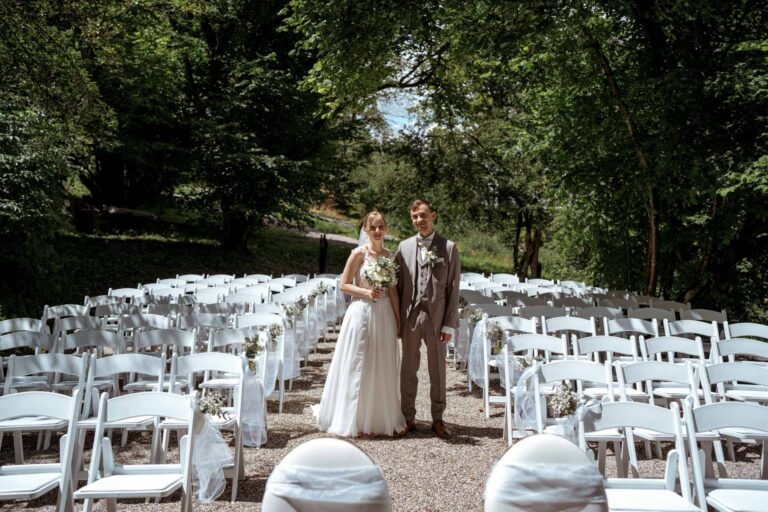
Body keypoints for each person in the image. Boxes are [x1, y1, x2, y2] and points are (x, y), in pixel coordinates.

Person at [312, 211, 406, 437]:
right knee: (357, 361)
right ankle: (351, 416)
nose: (376, 231)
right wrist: (366, 292)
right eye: (372, 227)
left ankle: (376, 418)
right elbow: (344, 285)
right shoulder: (358, 255)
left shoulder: (390, 256)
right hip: (361, 312)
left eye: (380, 226)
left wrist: (398, 320)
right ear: (365, 230)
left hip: (383, 314)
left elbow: (392, 291)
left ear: (386, 228)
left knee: (380, 362)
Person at [395, 199, 461, 439]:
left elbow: (453, 289)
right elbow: (398, 286)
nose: (419, 220)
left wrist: (449, 324)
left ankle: (438, 418)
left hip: (437, 317)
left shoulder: (449, 247)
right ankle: (407, 417)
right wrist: (396, 320)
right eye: (415, 217)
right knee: (408, 369)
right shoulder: (403, 247)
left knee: (438, 370)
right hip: (410, 315)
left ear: (433, 215)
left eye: (423, 215)